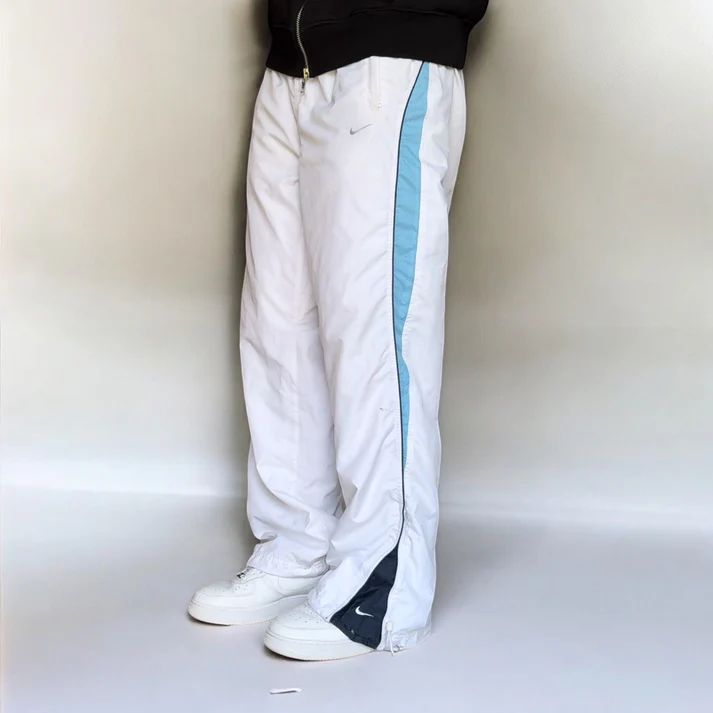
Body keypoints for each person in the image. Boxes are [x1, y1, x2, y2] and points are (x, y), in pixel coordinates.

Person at [189, 0, 489, 661]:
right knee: (279, 323)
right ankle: (298, 546)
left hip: (389, 55)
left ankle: (381, 591)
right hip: (291, 63)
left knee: (375, 330)